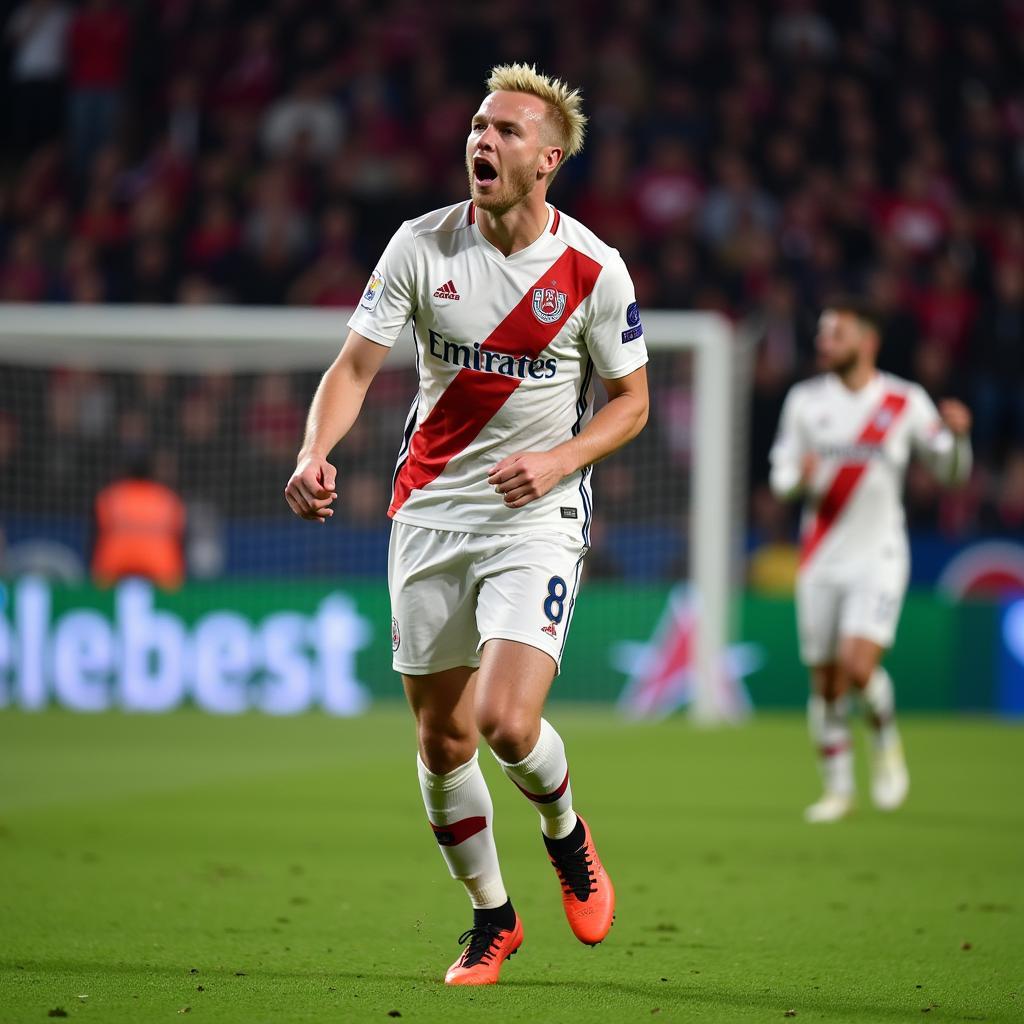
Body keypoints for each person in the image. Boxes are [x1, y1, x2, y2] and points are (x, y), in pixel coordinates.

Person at [285, 63, 649, 985]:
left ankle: (567, 837)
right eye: (479, 125)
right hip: (429, 513)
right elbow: (355, 370)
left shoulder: (593, 270)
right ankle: (492, 917)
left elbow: (632, 402)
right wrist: (312, 451)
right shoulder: (420, 246)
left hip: (538, 514)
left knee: (503, 719)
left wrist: (562, 460)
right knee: (442, 741)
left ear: (549, 159)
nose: (483, 141)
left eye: (507, 132)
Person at [769, 298, 971, 823]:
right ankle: (838, 790)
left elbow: (950, 474)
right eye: (821, 333)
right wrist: (800, 477)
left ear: (867, 341)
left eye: (835, 333)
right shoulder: (805, 401)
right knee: (826, 683)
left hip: (879, 555)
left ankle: (885, 741)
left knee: (860, 668)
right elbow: (780, 476)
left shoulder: (904, 402)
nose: (824, 342)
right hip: (820, 558)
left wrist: (959, 440)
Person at [92, 456, 187, 590]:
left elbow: (97, 530)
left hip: (115, 561)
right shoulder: (167, 498)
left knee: (101, 594)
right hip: (161, 564)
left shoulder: (112, 495)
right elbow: (180, 534)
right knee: (171, 595)